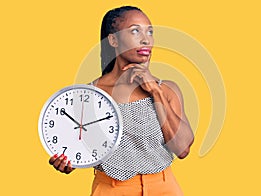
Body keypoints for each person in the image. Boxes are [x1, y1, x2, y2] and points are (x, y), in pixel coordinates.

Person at [49, 5, 194, 196]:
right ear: (113, 40)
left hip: (164, 187)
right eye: (135, 31)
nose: (146, 39)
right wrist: (68, 162)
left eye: (150, 32)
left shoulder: (166, 89)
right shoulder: (89, 95)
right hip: (111, 189)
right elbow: (79, 147)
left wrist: (155, 92)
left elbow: (182, 150)